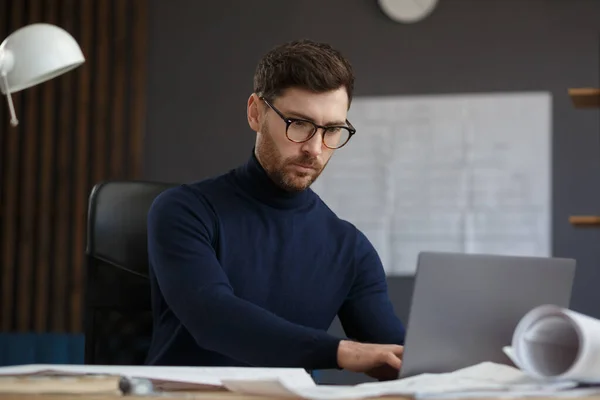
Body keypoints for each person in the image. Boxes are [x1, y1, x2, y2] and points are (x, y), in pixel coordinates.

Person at [145, 39, 406, 381]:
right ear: (256, 112)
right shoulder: (185, 210)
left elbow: (396, 357)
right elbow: (213, 319)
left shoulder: (350, 248)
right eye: (299, 123)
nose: (315, 148)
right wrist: (340, 352)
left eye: (332, 130)